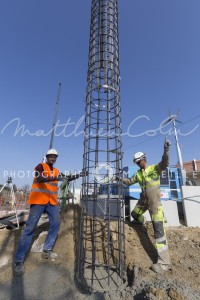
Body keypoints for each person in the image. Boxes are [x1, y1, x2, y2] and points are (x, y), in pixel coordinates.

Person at [14, 149, 79, 276]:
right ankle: (18, 260)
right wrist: (55, 177)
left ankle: (47, 249)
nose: (52, 158)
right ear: (47, 157)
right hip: (38, 201)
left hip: (52, 203)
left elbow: (64, 178)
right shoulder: (40, 166)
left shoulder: (56, 170)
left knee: (56, 223)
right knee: (30, 228)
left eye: (54, 156)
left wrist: (77, 175)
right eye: (50, 156)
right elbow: (40, 178)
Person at [116, 139, 171, 273]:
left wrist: (166, 150)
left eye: (139, 161)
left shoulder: (154, 169)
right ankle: (141, 222)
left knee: (159, 234)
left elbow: (164, 163)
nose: (138, 164)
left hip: (155, 205)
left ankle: (164, 263)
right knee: (135, 214)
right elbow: (129, 182)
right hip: (143, 201)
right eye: (136, 162)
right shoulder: (139, 174)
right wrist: (120, 179)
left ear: (144, 159)